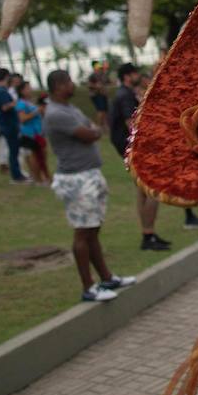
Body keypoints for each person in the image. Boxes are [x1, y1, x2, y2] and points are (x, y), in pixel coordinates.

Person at [42, 69, 137, 302]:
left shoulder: (70, 108)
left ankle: (106, 277)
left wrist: (93, 130)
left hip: (88, 175)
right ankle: (88, 286)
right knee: (82, 233)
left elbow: (94, 128)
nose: (73, 85)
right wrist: (93, 131)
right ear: (58, 86)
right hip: (76, 179)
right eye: (69, 82)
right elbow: (89, 133)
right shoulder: (56, 113)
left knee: (93, 229)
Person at [108, 63, 176, 248]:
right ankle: (148, 235)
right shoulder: (125, 96)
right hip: (134, 147)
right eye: (134, 73)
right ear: (127, 76)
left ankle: (148, 233)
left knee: (142, 190)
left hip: (129, 146)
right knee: (152, 188)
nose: (138, 75)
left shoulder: (125, 94)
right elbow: (132, 124)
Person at [0, 68, 29, 184]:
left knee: (12, 150)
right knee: (14, 151)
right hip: (9, 124)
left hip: (2, 124)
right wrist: (15, 103)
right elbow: (5, 107)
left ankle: (16, 174)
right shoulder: (2, 92)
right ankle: (17, 175)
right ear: (5, 77)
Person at [15, 88, 51, 184]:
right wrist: (37, 111)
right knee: (35, 157)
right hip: (29, 134)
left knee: (41, 156)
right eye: (28, 88)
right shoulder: (21, 104)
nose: (30, 90)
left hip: (38, 133)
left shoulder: (29, 103)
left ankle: (42, 178)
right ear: (22, 91)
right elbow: (22, 119)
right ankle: (38, 179)